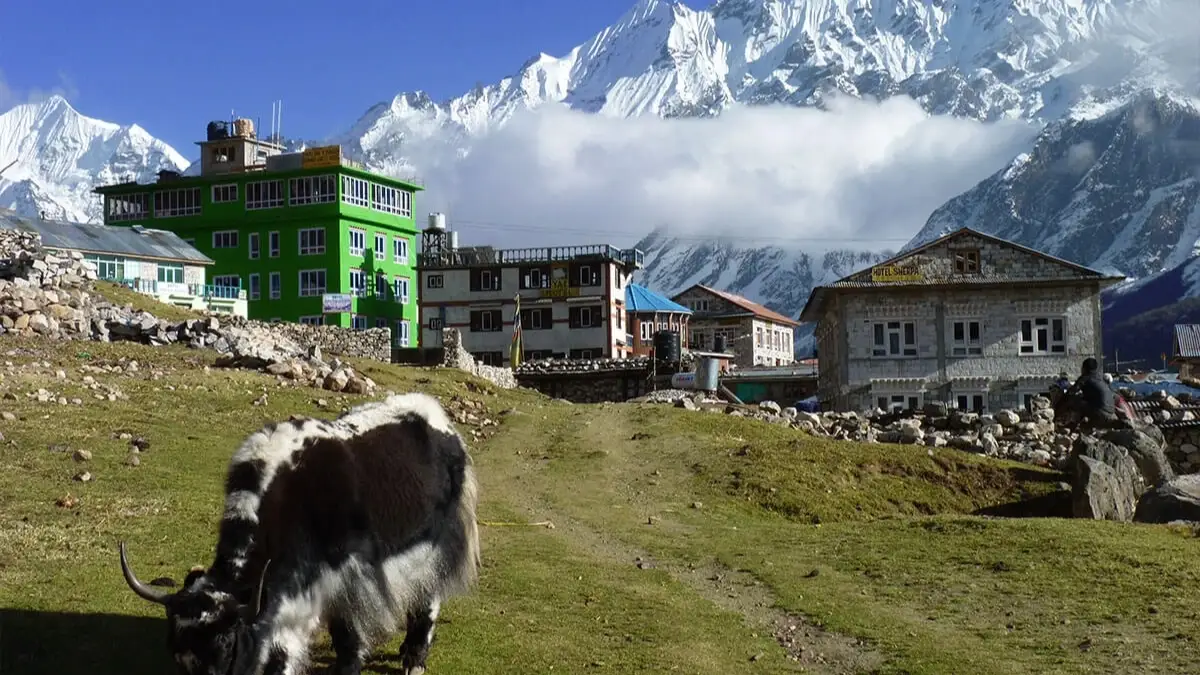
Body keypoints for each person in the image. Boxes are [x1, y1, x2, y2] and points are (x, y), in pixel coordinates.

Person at [1064, 357, 1120, 430]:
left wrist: (1065, 396)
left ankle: (1072, 423)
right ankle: (1086, 426)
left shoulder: (1085, 377)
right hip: (1111, 412)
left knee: (1075, 400)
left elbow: (1072, 391)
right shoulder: (1100, 378)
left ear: (1084, 368)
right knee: (1085, 402)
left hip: (1100, 412)